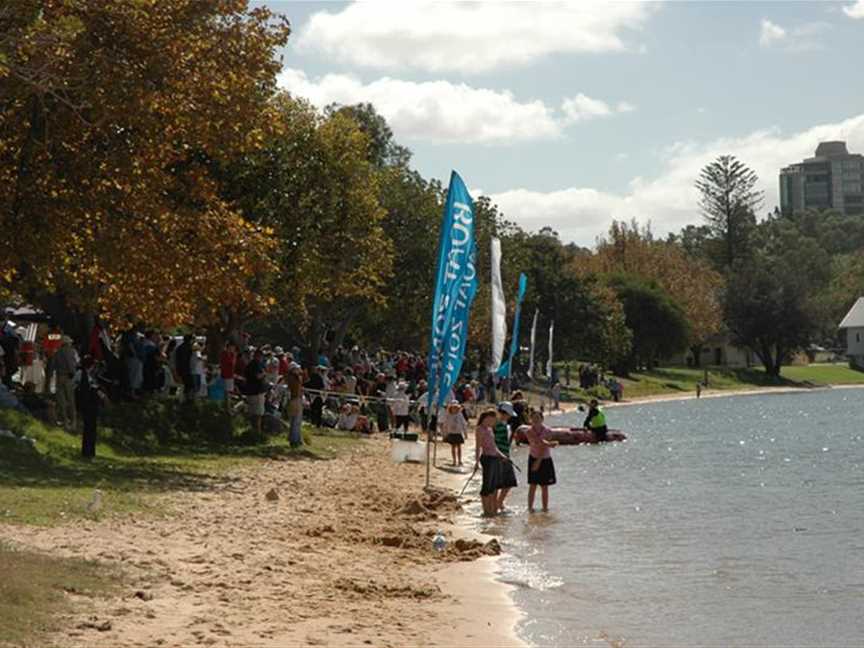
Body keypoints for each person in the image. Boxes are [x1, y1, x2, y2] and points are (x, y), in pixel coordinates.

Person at [474, 410, 510, 517]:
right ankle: (486, 511)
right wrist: (476, 462)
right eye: (494, 420)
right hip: (487, 459)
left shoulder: (489, 429)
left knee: (494, 486)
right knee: (487, 486)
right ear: (488, 418)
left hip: (495, 458)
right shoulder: (480, 429)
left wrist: (502, 456)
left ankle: (491, 510)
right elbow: (478, 447)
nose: (495, 423)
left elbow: (494, 447)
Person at [526, 410, 558, 512]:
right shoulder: (528, 431)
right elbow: (538, 441)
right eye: (533, 418)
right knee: (532, 485)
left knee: (545, 486)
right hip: (533, 458)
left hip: (545, 459)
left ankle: (545, 509)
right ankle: (530, 508)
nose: (536, 420)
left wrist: (547, 445)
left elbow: (544, 447)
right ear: (530, 419)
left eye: (538, 418)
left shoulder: (548, 431)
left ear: (542, 419)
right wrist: (549, 444)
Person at [75, 355, 105, 459]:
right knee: (88, 428)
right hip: (87, 404)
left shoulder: (90, 375)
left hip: (92, 404)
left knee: (92, 428)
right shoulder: (80, 374)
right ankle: (86, 451)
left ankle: (90, 451)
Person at [494, 401, 519, 512]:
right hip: (500, 456)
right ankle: (498, 503)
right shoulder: (497, 425)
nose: (509, 417)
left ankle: (499, 503)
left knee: (507, 482)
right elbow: (495, 441)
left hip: (505, 455)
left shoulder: (504, 425)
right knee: (505, 482)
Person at [52, 335, 79, 428]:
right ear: (68, 343)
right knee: (71, 400)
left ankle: (65, 421)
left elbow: (53, 365)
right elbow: (71, 365)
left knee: (61, 400)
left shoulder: (57, 352)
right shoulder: (71, 351)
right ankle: (73, 421)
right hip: (68, 377)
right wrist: (73, 374)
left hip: (59, 376)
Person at [244, 348, 267, 434]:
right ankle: (257, 433)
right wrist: (264, 373)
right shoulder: (256, 365)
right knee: (258, 414)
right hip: (257, 392)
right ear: (258, 356)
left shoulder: (249, 365)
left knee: (252, 412)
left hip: (250, 391)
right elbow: (258, 376)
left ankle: (252, 432)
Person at [441, 400, 468, 466]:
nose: (455, 409)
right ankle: (454, 461)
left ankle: (459, 460)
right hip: (451, 433)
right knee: (453, 447)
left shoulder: (460, 415)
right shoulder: (448, 415)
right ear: (451, 408)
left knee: (459, 447)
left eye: (456, 408)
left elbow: (464, 424)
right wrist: (444, 434)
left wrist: (465, 433)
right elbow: (445, 425)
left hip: (458, 433)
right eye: (453, 408)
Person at [285, 364, 304, 447]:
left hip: (292, 400)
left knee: (293, 421)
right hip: (295, 399)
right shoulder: (295, 379)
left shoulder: (290, 378)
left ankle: (294, 438)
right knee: (296, 421)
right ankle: (295, 440)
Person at [220, 341, 237, 408]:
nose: (233, 349)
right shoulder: (224, 354)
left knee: (228, 392)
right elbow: (231, 363)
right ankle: (227, 407)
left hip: (230, 375)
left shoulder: (232, 354)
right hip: (225, 375)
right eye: (232, 347)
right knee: (226, 392)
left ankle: (227, 406)